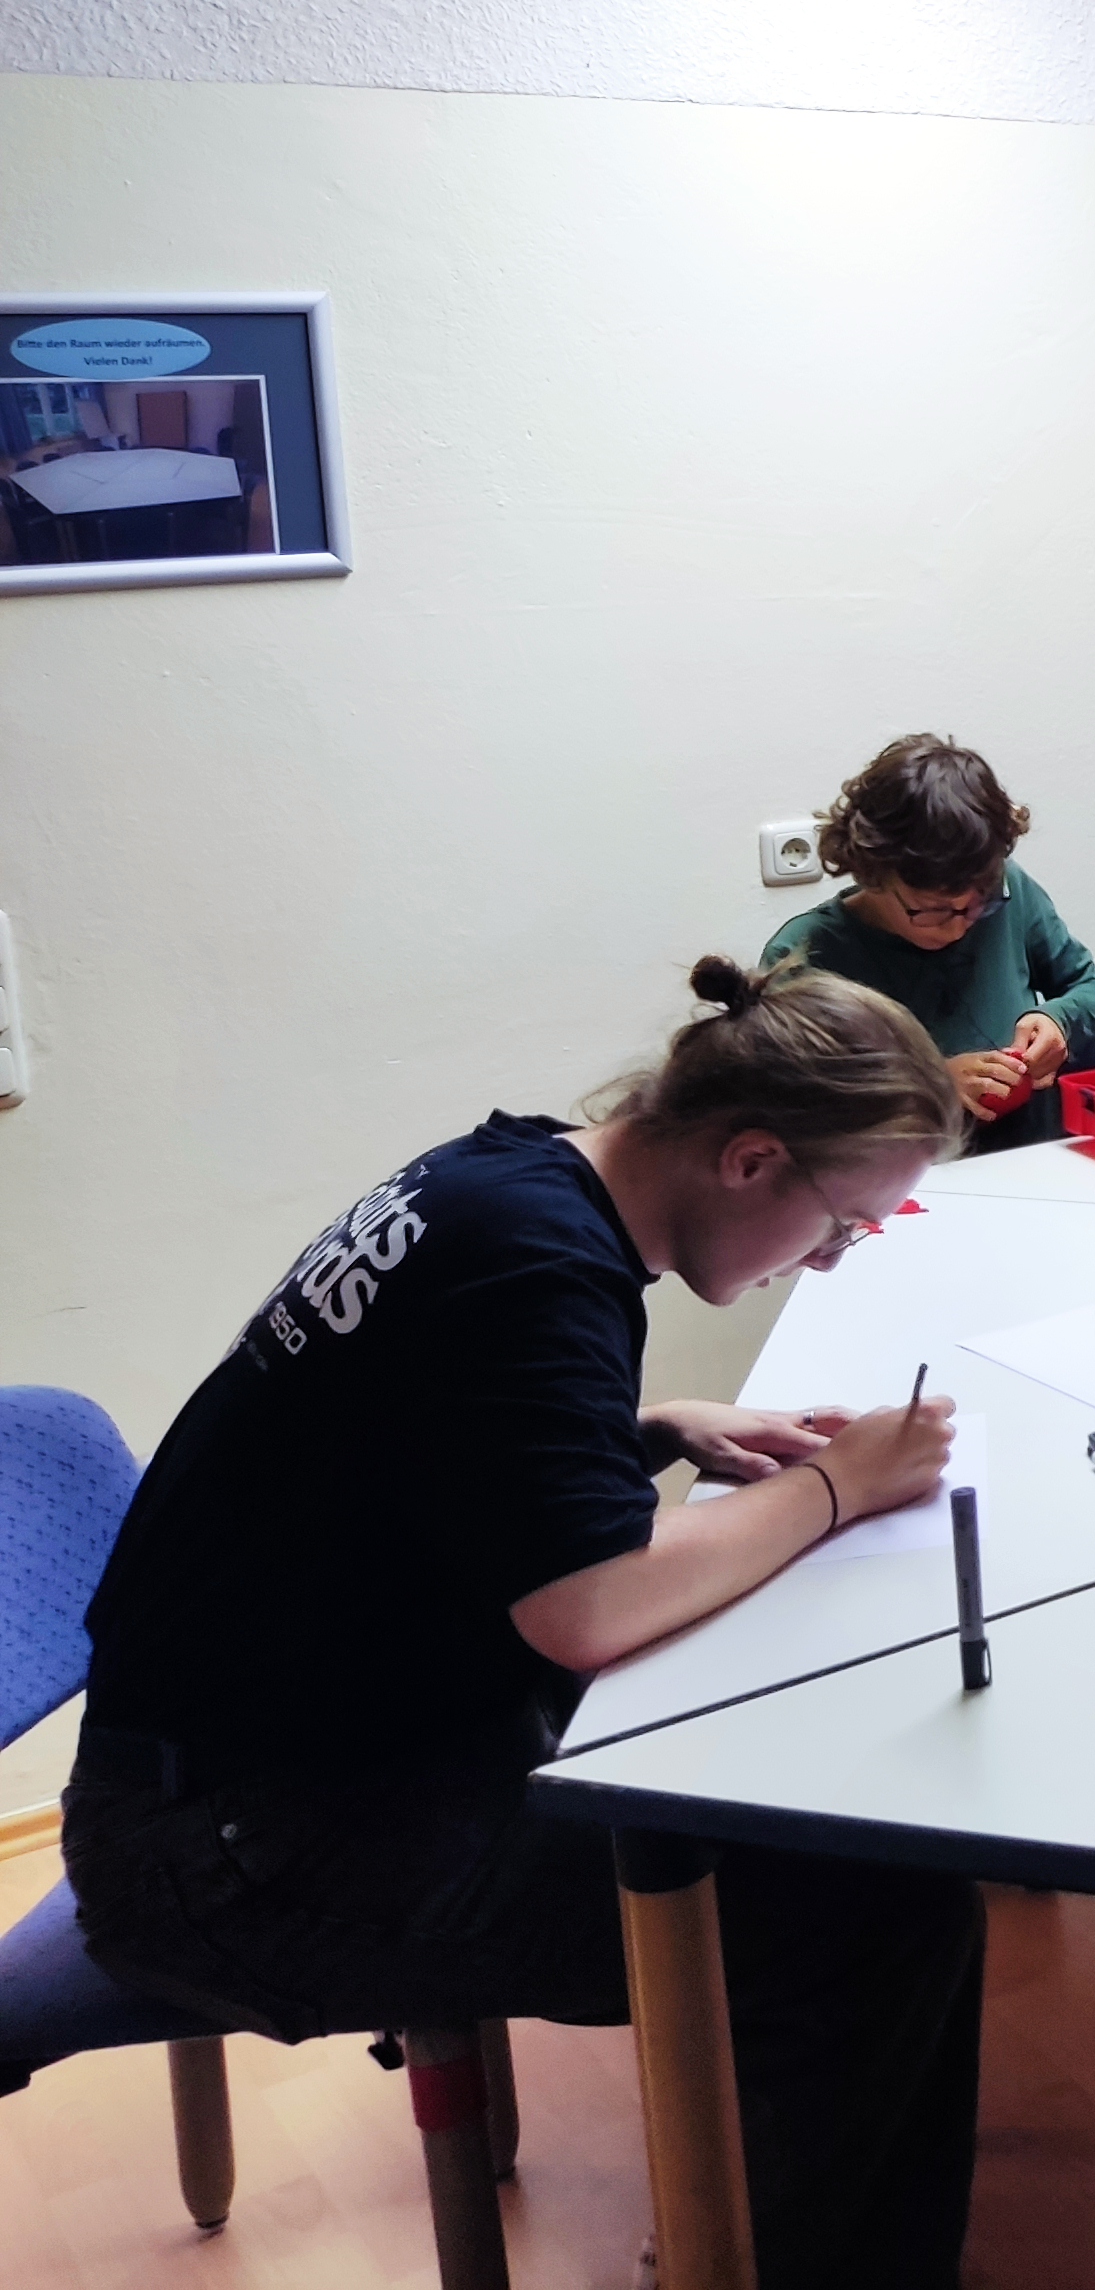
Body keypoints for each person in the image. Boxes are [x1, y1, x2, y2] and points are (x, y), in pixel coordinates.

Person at [66, 959, 987, 2290]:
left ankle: (749, 2212)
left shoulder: (507, 1176)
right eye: (843, 1227)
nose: (830, 1260)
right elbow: (589, 1609)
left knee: (783, 1781)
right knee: (877, 1908)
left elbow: (409, 1430)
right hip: (230, 1858)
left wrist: (649, 1428)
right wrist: (840, 1485)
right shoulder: (539, 1273)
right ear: (749, 1159)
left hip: (251, 1759)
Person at [763, 732, 1095, 1150]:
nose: (957, 928)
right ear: (873, 873)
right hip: (901, 1176)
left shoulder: (1011, 891)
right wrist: (930, 1084)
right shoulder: (804, 956)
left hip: (1034, 1158)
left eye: (978, 904)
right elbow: (792, 1107)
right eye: (931, 910)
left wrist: (1060, 1022)